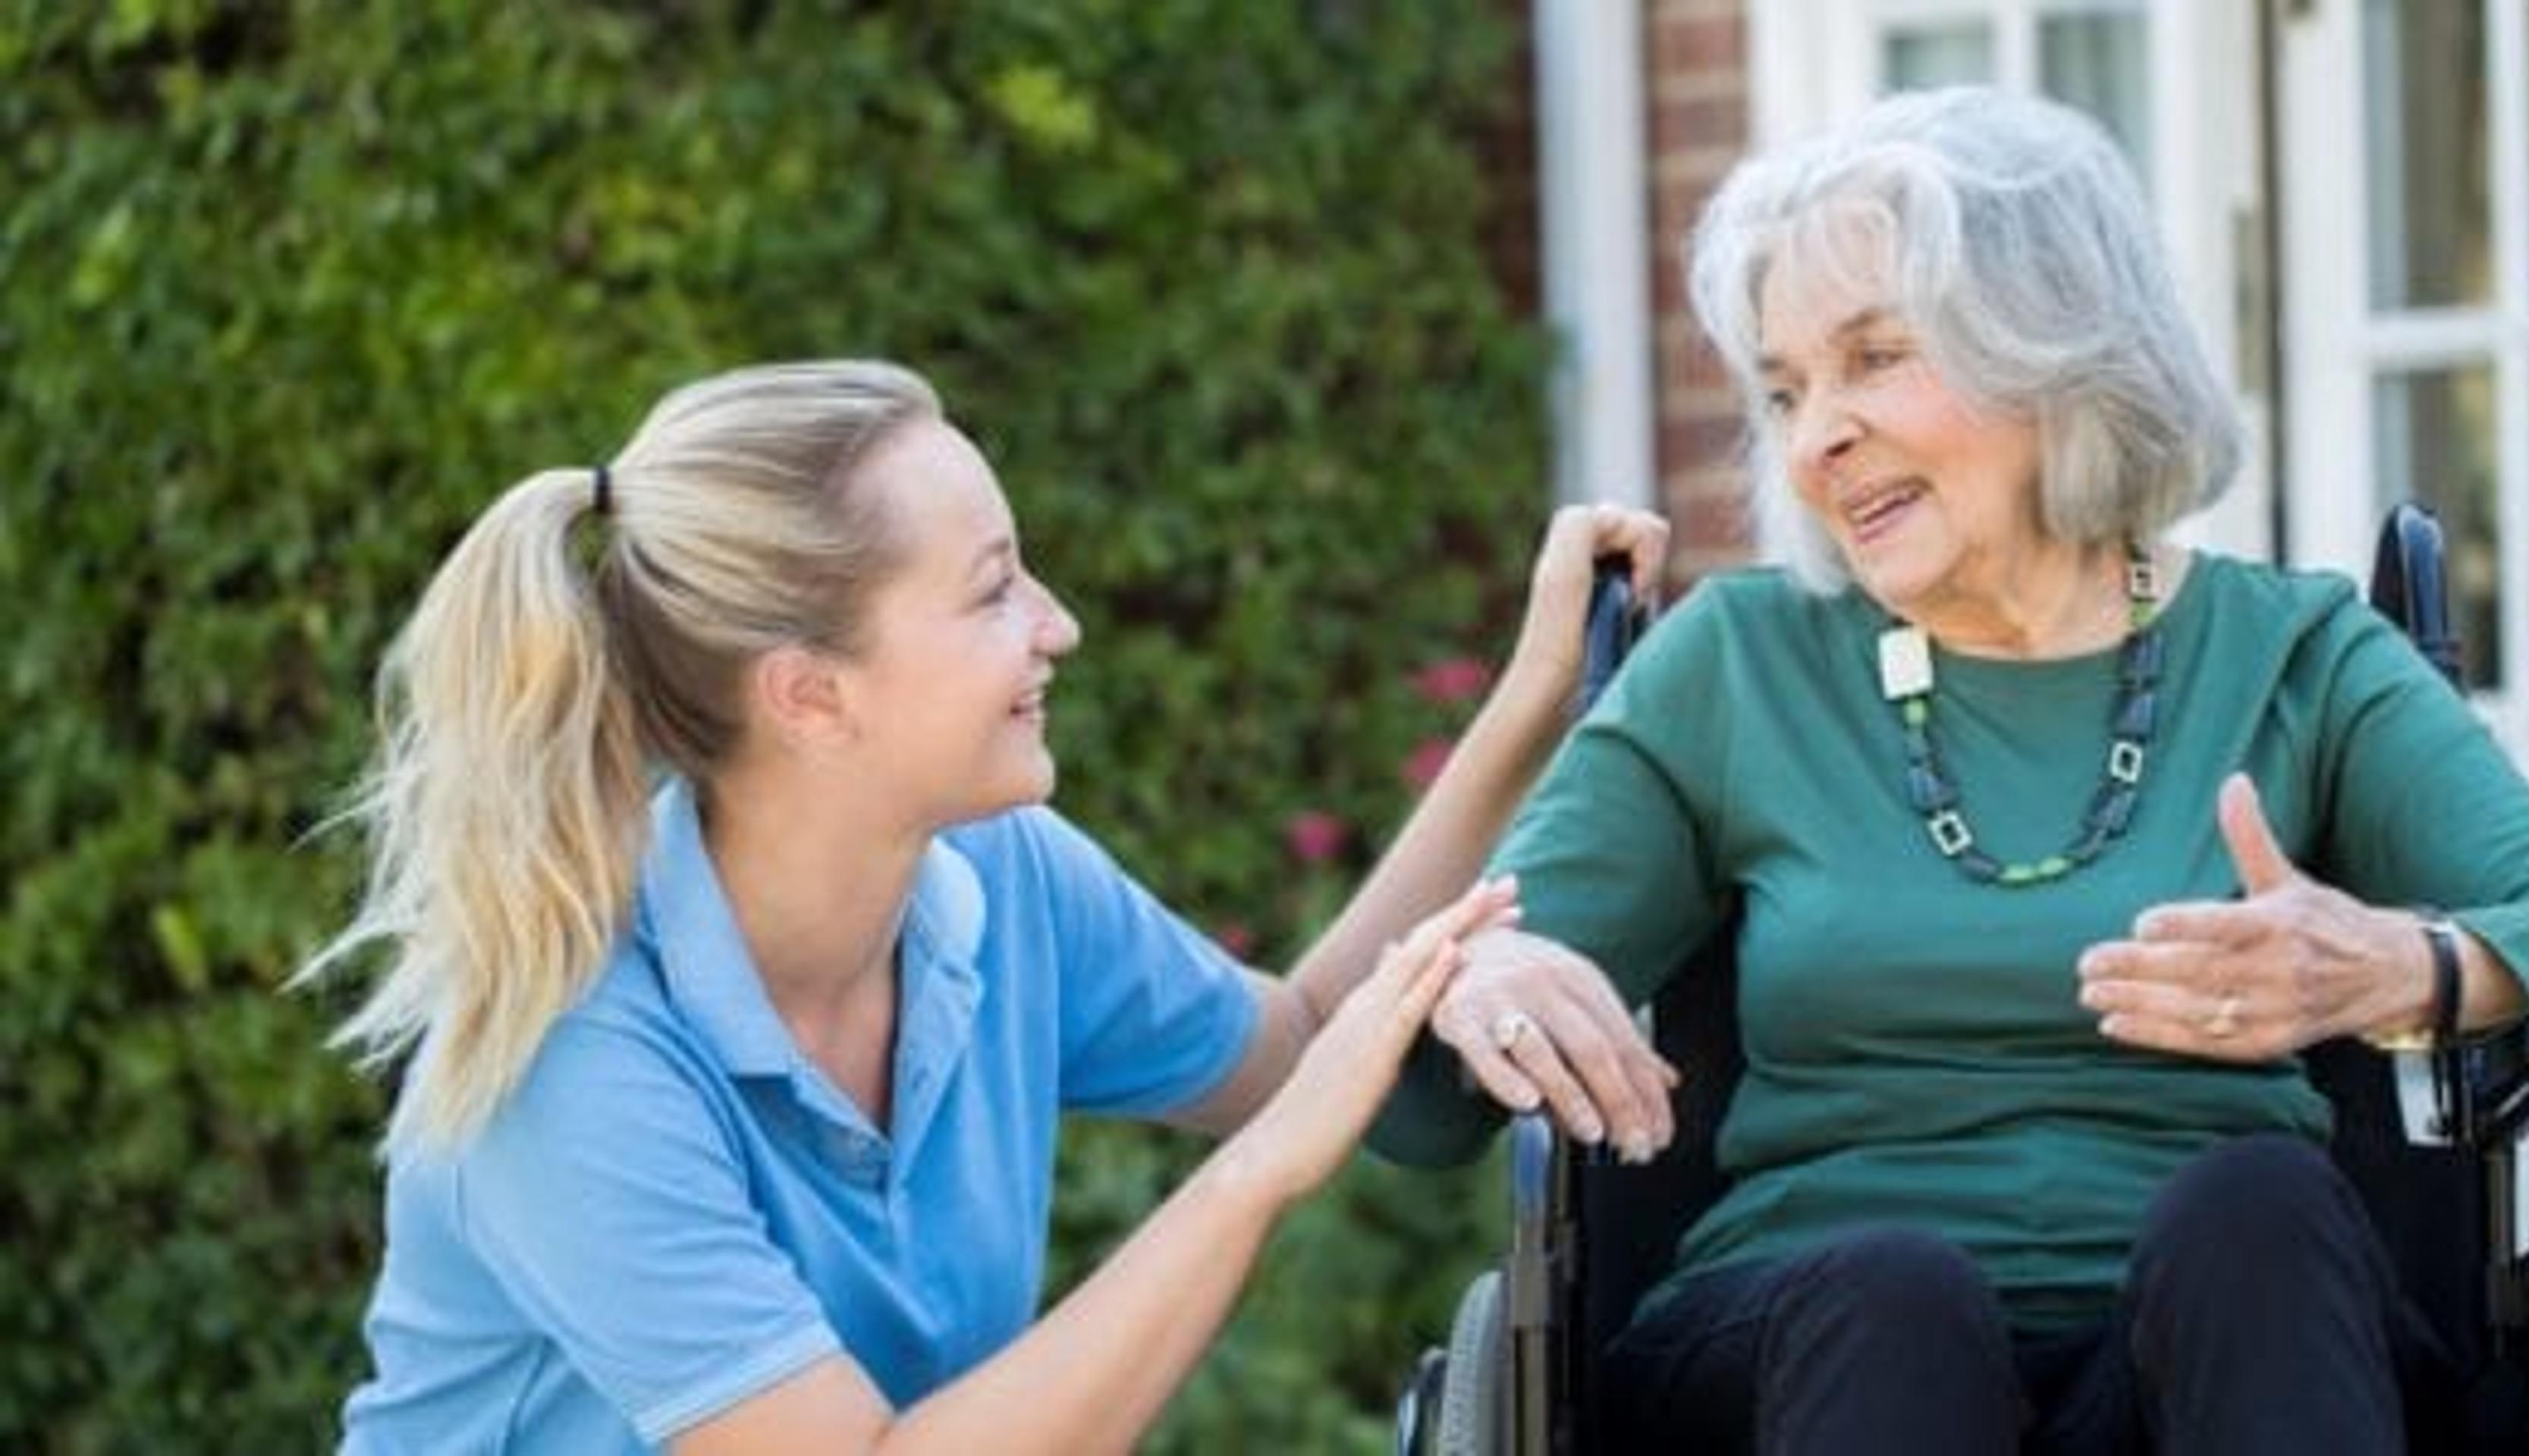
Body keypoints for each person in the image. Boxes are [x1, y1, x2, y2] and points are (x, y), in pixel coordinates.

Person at [1371, 87, 2529, 1452]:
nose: (1813, 437)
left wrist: (2405, 966)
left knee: (2262, 1212)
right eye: (1783, 391)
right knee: (1894, 1298)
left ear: (2055, 345)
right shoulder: (1739, 666)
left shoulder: (2293, 651)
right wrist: (1477, 979)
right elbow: (1414, 1114)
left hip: (2226, 1356)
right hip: (1811, 1361)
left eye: (1875, 357)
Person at [297, 358, 1670, 1454]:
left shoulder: (998, 882)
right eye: (994, 587)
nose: (1057, 623)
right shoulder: (572, 1061)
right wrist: (1256, 1178)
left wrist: (1529, 702)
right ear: (811, 695)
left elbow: (1303, 1043)